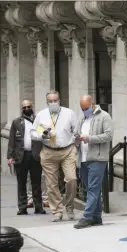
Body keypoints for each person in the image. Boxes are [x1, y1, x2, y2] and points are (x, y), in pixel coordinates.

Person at [31, 90, 78, 222]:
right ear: (47, 102)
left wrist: (76, 140)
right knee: (51, 184)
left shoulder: (69, 113)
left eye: (55, 100)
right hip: (48, 151)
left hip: (67, 150)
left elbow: (76, 130)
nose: (53, 103)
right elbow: (33, 133)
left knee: (71, 179)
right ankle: (57, 211)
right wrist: (42, 135)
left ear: (59, 101)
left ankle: (69, 207)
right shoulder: (41, 115)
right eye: (50, 101)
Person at [73, 95, 113, 229]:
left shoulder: (104, 116)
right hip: (83, 157)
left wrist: (89, 138)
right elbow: (75, 134)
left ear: (93, 104)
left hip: (97, 158)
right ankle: (96, 217)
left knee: (93, 188)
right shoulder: (81, 118)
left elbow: (108, 135)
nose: (84, 111)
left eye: (86, 108)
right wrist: (77, 139)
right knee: (88, 188)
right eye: (82, 109)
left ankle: (86, 216)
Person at [7, 100, 46, 215]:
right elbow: (11, 140)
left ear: (32, 107)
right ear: (21, 109)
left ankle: (39, 206)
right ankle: (22, 207)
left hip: (35, 155)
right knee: (21, 183)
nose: (26, 109)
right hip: (21, 156)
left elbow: (42, 137)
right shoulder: (16, 122)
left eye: (28, 106)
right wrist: (10, 156)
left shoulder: (38, 121)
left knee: (36, 182)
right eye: (24, 107)